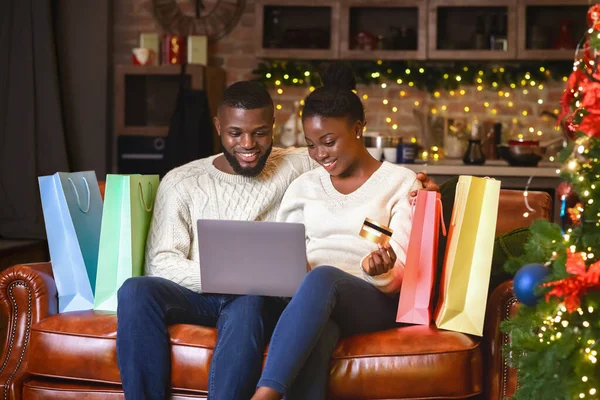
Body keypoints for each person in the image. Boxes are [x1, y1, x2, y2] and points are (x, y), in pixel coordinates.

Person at [116, 80, 438, 400]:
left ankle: (265, 394)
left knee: (276, 294)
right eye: (235, 133)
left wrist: (432, 194)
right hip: (261, 294)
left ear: (272, 128)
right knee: (135, 289)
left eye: (259, 133)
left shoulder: (312, 167)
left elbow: (402, 250)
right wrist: (236, 277)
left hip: (330, 293)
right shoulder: (188, 181)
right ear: (218, 127)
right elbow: (161, 262)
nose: (248, 144)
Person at [251, 63, 423, 400]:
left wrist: (383, 272)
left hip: (373, 300)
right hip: (312, 301)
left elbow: (402, 274)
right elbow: (283, 251)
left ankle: (264, 395)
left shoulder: (400, 182)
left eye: (328, 142)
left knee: (323, 278)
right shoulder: (303, 187)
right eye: (311, 145)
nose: (319, 155)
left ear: (358, 129)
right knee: (321, 330)